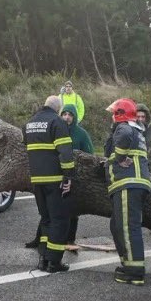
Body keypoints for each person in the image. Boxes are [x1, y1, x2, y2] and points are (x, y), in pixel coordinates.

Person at [24, 103, 92, 249]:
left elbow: (90, 155)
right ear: (60, 115)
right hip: (56, 176)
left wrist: (73, 174)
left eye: (70, 115)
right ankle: (41, 241)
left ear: (75, 117)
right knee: (49, 213)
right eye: (65, 114)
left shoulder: (81, 134)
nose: (67, 117)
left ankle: (69, 240)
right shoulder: (54, 126)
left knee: (70, 211)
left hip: (72, 176)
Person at [24, 95, 75, 273]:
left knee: (46, 219)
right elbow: (66, 153)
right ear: (58, 109)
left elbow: (28, 150)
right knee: (59, 221)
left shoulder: (29, 124)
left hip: (37, 180)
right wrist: (68, 176)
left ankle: (43, 259)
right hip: (54, 180)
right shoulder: (57, 122)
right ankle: (54, 262)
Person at [104, 98, 151, 285]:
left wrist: (121, 156)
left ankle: (134, 271)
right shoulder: (135, 129)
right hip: (127, 184)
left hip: (128, 183)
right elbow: (110, 151)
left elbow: (121, 141)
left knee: (127, 227)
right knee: (116, 225)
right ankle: (128, 263)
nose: (112, 117)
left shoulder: (124, 127)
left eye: (113, 114)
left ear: (119, 114)